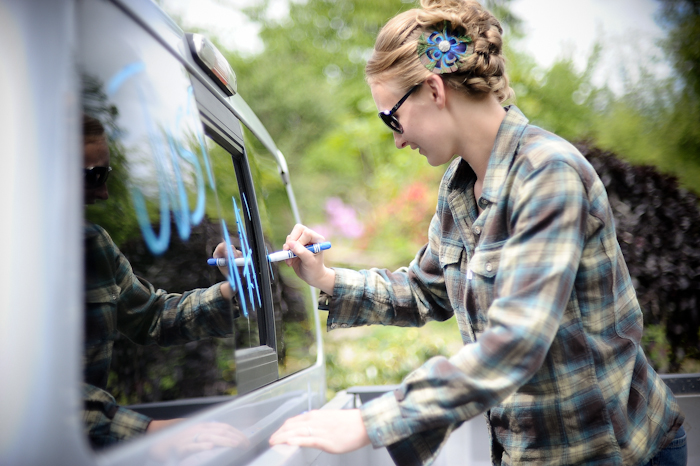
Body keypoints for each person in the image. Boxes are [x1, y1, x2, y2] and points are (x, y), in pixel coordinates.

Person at [268, 1, 686, 465]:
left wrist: (371, 422)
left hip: (614, 453)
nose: (398, 139)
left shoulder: (548, 174)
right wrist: (326, 278)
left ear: (432, 90)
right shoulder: (459, 186)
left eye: (392, 119)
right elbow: (424, 292)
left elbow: (517, 341)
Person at [82, 114, 244, 450]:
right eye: (94, 176)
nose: (104, 192)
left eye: (106, 175)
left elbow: (153, 316)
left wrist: (232, 289)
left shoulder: (93, 246)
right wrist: (150, 433)